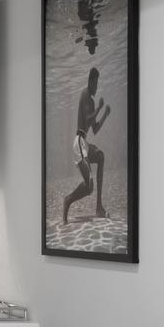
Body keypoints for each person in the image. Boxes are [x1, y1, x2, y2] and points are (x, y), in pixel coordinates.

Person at [61, 67, 110, 224]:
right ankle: (68, 200)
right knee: (89, 187)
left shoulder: (92, 100)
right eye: (95, 83)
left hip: (85, 142)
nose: (96, 87)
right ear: (90, 82)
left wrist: (104, 115)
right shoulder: (84, 94)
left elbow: (94, 129)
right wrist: (99, 108)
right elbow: (88, 119)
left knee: (101, 156)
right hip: (79, 144)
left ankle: (99, 207)